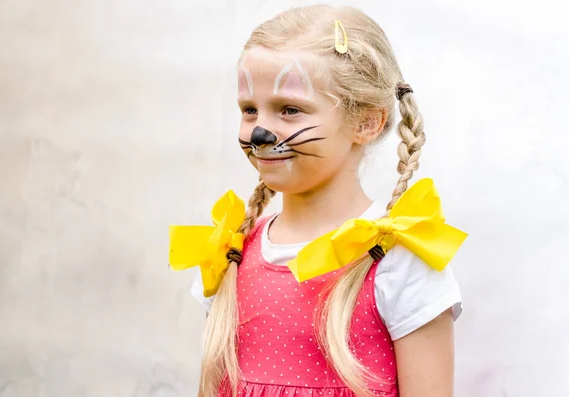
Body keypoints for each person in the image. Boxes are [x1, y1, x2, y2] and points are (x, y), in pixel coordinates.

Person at [170, 4, 467, 397]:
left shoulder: (399, 260)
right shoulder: (230, 254)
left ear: (366, 122)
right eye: (249, 110)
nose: (260, 131)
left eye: (290, 110)